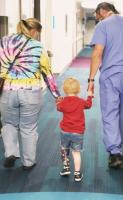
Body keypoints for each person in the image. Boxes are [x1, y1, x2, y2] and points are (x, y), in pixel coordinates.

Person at [88, 2, 123, 168]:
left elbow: (97, 53)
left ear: (102, 11)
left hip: (111, 75)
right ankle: (118, 146)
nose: (97, 19)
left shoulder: (103, 25)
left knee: (110, 111)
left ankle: (114, 152)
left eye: (98, 16)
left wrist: (91, 80)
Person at [0, 18, 60, 169]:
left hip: (8, 90)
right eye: (38, 33)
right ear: (34, 31)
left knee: (9, 124)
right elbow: (47, 73)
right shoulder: (38, 47)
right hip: (30, 92)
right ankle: (28, 162)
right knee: (28, 127)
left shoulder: (4, 41)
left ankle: (11, 153)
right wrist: (56, 94)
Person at [56, 77, 93, 182]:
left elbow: (58, 108)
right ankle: (77, 174)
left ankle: (66, 168)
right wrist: (90, 95)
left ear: (64, 89)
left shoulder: (63, 102)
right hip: (78, 132)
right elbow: (88, 105)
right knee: (76, 153)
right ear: (78, 89)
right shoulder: (81, 102)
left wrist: (58, 101)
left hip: (65, 131)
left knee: (64, 150)